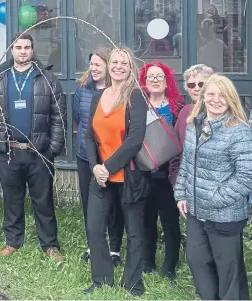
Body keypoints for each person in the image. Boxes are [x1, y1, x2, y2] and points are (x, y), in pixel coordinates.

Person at [0, 33, 66, 262]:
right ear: (11, 50)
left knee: (43, 200)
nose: (22, 51)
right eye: (18, 47)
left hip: (38, 151)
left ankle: (49, 244)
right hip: (8, 151)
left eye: (27, 47)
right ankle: (13, 241)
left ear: (32, 49)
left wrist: (53, 149)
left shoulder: (47, 78)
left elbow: (59, 116)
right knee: (11, 199)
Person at [174, 74, 252, 300]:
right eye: (211, 94)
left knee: (227, 269)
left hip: (225, 214)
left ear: (231, 99)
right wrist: (181, 193)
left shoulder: (238, 130)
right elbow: (187, 162)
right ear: (203, 97)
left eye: (222, 95)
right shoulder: (194, 124)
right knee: (197, 260)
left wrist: (214, 198)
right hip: (196, 212)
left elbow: (247, 177)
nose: (216, 100)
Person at [82, 46, 149, 297]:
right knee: (94, 228)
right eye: (115, 62)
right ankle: (102, 279)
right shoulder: (98, 96)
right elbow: (89, 136)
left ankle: (133, 283)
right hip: (100, 177)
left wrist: (107, 168)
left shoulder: (136, 96)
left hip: (128, 177)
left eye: (124, 62)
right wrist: (94, 167)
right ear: (109, 65)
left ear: (131, 67)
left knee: (134, 231)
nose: (118, 66)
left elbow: (134, 140)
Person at [74, 47, 124, 266]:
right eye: (91, 64)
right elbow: (79, 119)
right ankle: (93, 245)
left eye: (98, 64)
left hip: (113, 158)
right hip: (87, 157)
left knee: (114, 205)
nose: (93, 68)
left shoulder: (120, 91)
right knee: (89, 202)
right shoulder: (82, 89)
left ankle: (114, 249)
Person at [138, 61, 183, 281]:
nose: (155, 80)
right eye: (150, 77)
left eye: (159, 77)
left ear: (167, 81)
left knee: (170, 221)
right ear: (144, 83)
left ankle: (170, 265)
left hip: (169, 176)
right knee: (147, 220)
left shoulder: (177, 107)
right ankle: (147, 261)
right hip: (145, 174)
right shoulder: (138, 106)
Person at [168, 64, 214, 186]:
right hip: (187, 186)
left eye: (201, 84)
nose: (196, 88)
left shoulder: (219, 112)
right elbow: (176, 153)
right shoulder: (184, 113)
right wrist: (176, 182)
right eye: (191, 85)